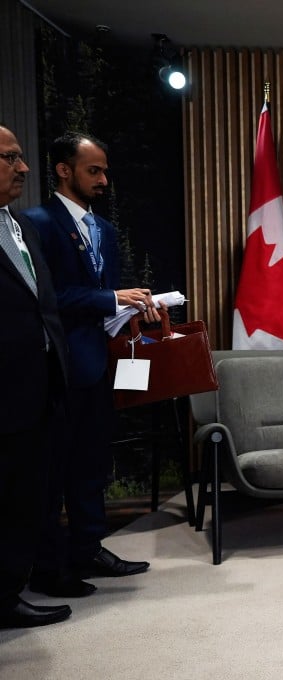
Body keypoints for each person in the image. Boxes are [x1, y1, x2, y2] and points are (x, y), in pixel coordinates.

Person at [24, 132, 159, 597]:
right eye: (93, 170)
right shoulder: (34, 223)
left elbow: (103, 299)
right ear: (64, 170)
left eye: (104, 170)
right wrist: (109, 297)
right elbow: (45, 298)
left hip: (99, 363)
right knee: (53, 471)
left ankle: (88, 548)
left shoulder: (102, 228)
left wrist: (135, 305)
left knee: (92, 463)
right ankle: (49, 565)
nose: (104, 179)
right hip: (55, 368)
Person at [0, 125, 73, 628]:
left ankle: (8, 592)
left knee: (24, 497)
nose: (24, 168)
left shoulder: (21, 227)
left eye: (21, 157)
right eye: (10, 157)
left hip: (36, 387)